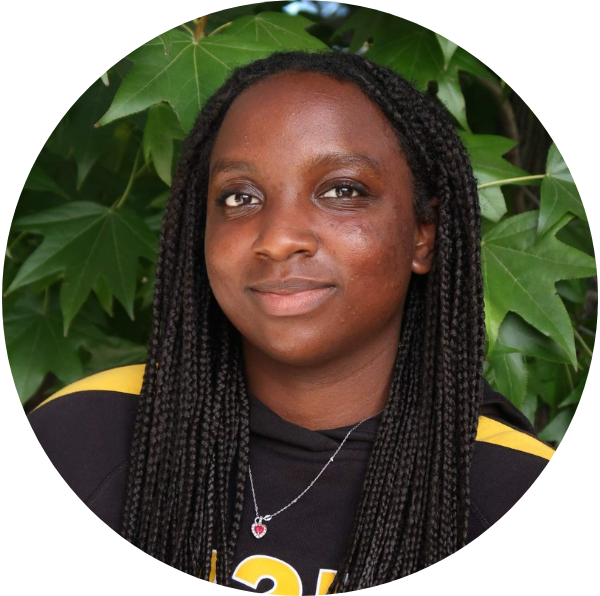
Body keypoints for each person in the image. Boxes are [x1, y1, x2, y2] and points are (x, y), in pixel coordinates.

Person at [27, 50, 554, 592]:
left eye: (342, 191)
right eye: (239, 197)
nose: (278, 238)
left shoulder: (508, 482)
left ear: (423, 234)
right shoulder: (81, 434)